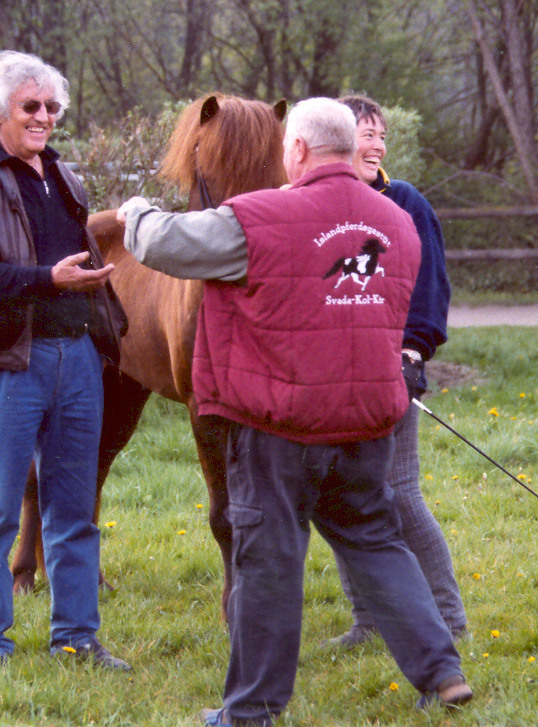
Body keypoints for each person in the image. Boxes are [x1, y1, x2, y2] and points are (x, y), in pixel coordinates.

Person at [118, 97, 472, 724]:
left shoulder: (259, 220)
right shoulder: (398, 222)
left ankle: (250, 710)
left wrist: (134, 210)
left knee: (269, 561)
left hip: (279, 427)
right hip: (367, 422)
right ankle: (442, 673)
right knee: (375, 543)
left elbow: (162, 244)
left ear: (300, 150)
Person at [0, 50, 130, 669]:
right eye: (30, 107)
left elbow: (72, 262)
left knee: (74, 513)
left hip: (77, 363)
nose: (44, 117)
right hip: (4, 366)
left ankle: (77, 638)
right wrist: (51, 279)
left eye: (51, 107)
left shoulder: (63, 177)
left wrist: (93, 283)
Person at [321, 94, 467, 649]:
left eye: (381, 135)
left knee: (399, 493)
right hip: (332, 380)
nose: (376, 144)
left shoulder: (403, 200)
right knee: (339, 497)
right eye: (365, 132)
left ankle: (449, 618)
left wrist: (413, 352)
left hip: (391, 374)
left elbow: (430, 289)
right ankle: (368, 620)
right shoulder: (319, 207)